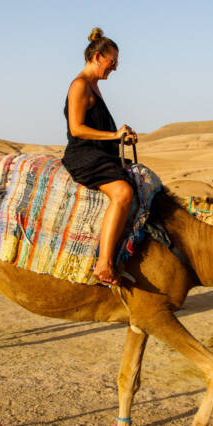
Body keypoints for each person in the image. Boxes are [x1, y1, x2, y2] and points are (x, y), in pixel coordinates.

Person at [62, 27, 138, 286]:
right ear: (97, 57)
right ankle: (103, 264)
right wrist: (114, 136)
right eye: (112, 61)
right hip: (83, 155)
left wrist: (121, 138)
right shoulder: (80, 85)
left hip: (99, 153)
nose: (114, 67)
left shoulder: (93, 87)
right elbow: (77, 128)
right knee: (122, 193)